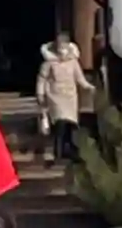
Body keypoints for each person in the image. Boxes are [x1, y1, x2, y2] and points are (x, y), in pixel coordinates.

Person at [35, 32, 93, 162]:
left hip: (70, 97)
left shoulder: (73, 62)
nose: (62, 50)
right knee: (60, 123)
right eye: (60, 47)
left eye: (64, 46)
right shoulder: (49, 63)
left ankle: (70, 149)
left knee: (70, 124)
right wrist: (40, 94)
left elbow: (79, 78)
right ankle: (58, 150)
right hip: (55, 96)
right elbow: (42, 79)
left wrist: (88, 86)